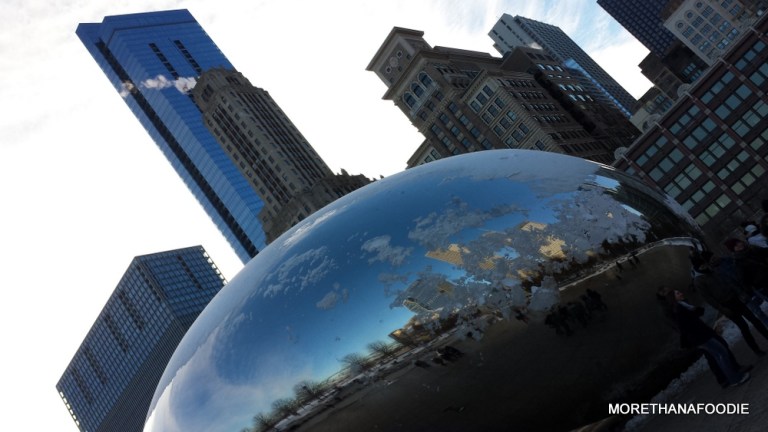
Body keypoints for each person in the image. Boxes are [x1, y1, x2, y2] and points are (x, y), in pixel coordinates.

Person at [666, 289, 750, 388]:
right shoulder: (680, 309)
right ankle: (734, 378)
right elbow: (689, 326)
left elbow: (699, 312)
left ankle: (733, 377)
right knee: (722, 354)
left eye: (680, 292)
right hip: (701, 337)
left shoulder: (684, 307)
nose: (681, 293)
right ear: (673, 298)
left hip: (702, 337)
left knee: (720, 355)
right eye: (678, 293)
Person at [691, 253, 768, 356]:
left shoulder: (712, 271)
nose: (704, 266)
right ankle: (756, 350)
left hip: (735, 298)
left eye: (704, 264)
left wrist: (739, 293)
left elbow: (727, 282)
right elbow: (708, 298)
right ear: (698, 267)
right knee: (743, 327)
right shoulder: (698, 281)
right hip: (726, 305)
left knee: (754, 319)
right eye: (702, 266)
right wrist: (722, 308)